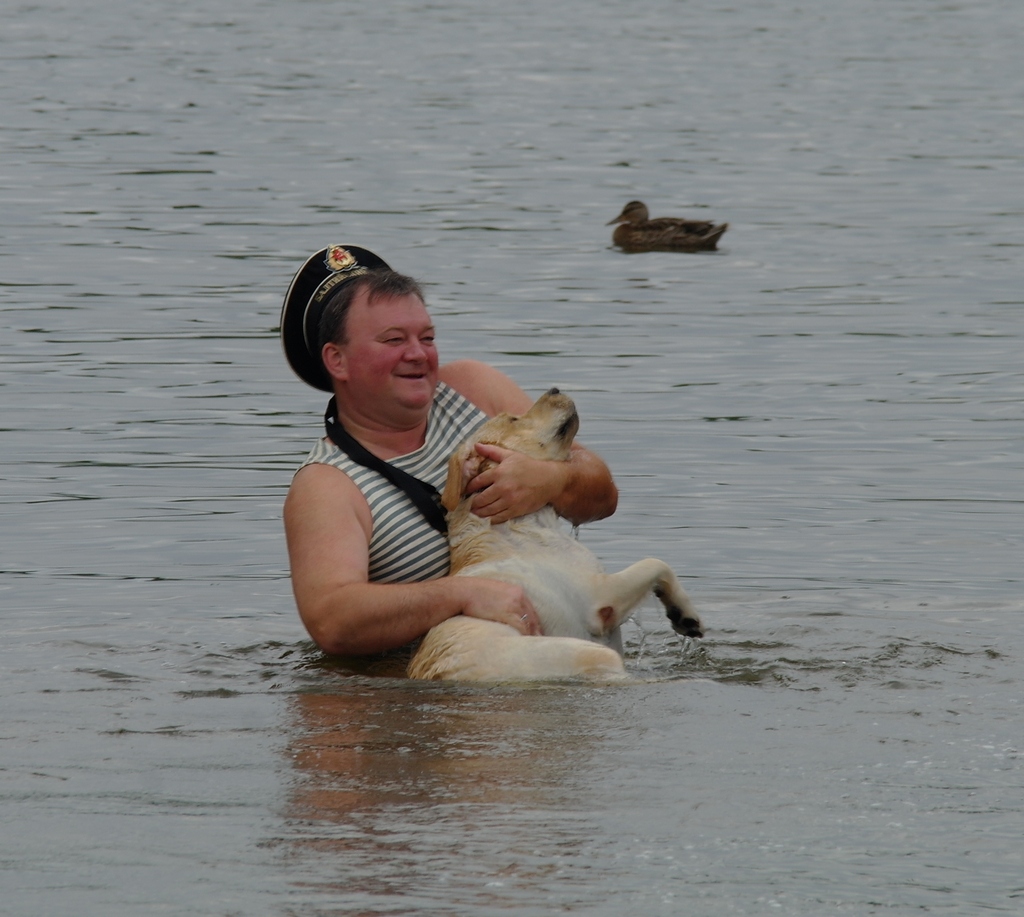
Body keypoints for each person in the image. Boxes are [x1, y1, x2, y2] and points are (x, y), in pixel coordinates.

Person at [280, 245, 618, 656]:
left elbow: (603, 494)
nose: (418, 354)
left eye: (427, 337)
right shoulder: (327, 485)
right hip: (438, 699)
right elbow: (332, 619)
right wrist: (458, 595)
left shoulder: (475, 389)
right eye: (393, 340)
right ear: (338, 360)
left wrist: (553, 480)